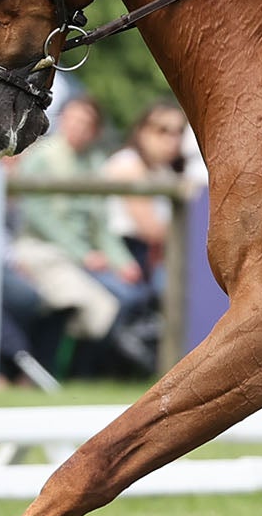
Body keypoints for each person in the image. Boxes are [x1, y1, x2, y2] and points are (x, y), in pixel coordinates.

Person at [12, 95, 155, 371]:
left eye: (85, 123)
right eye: (74, 120)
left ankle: (91, 372)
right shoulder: (42, 158)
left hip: (88, 257)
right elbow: (39, 217)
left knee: (133, 295)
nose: (78, 127)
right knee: (103, 304)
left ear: (95, 130)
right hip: (44, 251)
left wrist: (122, 261)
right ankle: (72, 373)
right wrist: (83, 254)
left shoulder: (95, 163)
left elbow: (101, 224)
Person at [104, 99, 189, 280]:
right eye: (162, 130)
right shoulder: (127, 164)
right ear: (142, 131)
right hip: (123, 255)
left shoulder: (164, 171)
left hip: (155, 254)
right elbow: (150, 230)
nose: (172, 140)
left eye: (179, 132)